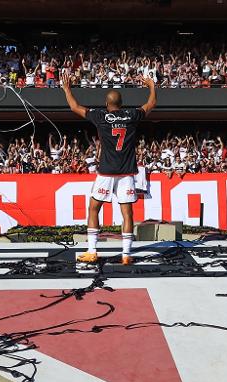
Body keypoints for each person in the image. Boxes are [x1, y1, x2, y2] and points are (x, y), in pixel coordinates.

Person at [61, 72, 156, 264]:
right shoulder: (131, 115)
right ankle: (127, 254)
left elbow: (74, 106)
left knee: (94, 208)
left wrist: (67, 88)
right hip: (127, 172)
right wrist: (152, 86)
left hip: (106, 171)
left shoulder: (101, 116)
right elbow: (151, 104)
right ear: (121, 104)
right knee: (127, 213)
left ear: (107, 104)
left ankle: (92, 251)